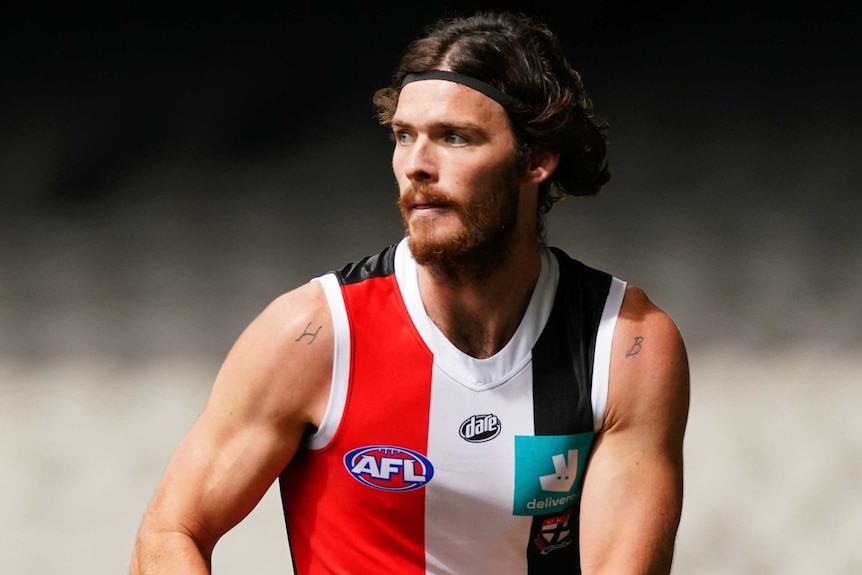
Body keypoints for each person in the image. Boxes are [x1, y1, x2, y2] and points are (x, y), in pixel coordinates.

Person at [130, 10, 690, 575]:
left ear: (537, 160)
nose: (417, 166)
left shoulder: (626, 348)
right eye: (404, 136)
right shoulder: (313, 336)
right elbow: (171, 533)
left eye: (454, 137)